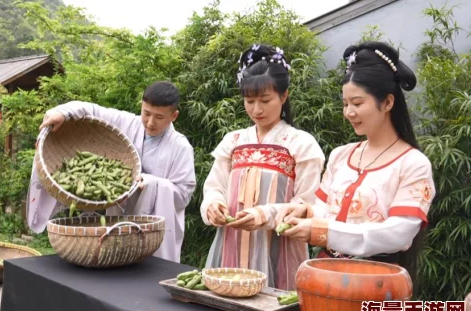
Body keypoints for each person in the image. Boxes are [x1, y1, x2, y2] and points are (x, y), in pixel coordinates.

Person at [276, 41, 436, 291]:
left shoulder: (413, 164)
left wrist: (321, 230)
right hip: (323, 276)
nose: (348, 112)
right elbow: (324, 209)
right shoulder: (341, 156)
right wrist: (307, 213)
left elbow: (399, 232)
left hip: (375, 284)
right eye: (345, 104)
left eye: (357, 103)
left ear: (387, 103)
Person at [200, 44, 326, 290]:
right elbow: (214, 186)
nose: (256, 109)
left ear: (284, 96)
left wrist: (264, 215)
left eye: (265, 100)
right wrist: (214, 205)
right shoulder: (233, 141)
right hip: (231, 244)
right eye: (249, 101)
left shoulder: (301, 144)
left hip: (279, 246)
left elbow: (308, 204)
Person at [27, 81, 197, 263]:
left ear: (174, 116)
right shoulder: (128, 123)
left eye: (159, 117)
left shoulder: (180, 147)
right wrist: (61, 113)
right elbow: (91, 109)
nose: (150, 122)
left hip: (156, 231)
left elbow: (184, 194)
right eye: (146, 113)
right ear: (141, 106)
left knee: (149, 269)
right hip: (118, 220)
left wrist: (151, 183)